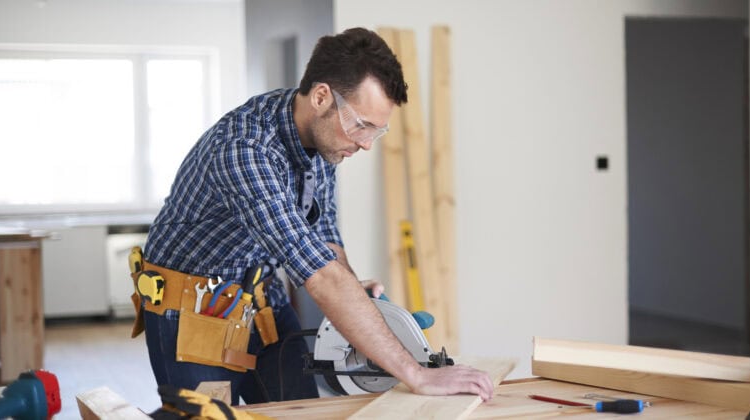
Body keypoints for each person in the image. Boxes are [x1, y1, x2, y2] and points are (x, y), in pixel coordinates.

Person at [138, 27, 494, 405]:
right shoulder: (244, 150)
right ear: (322, 96)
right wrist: (416, 375)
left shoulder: (322, 142)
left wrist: (362, 301)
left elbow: (325, 242)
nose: (366, 143)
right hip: (192, 314)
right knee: (209, 417)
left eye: (379, 130)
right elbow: (319, 275)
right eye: (362, 124)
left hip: (259, 299)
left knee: (304, 411)